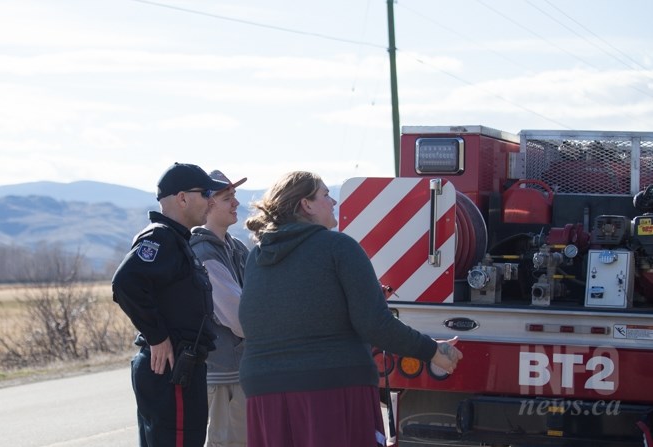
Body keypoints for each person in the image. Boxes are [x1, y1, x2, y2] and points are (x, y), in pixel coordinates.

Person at [238, 171, 463, 447]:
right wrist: (432, 351)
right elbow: (374, 324)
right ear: (305, 205)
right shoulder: (338, 247)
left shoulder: (256, 257)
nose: (333, 201)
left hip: (263, 391)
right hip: (331, 389)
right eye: (324, 194)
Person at [112, 162, 230, 447]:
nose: (211, 201)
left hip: (181, 368)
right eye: (204, 193)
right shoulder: (161, 237)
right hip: (172, 368)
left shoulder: (177, 240)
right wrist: (157, 336)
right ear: (182, 198)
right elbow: (125, 282)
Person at [190, 170, 250, 447]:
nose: (236, 203)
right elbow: (241, 318)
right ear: (208, 204)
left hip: (239, 371)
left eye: (235, 196)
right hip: (222, 374)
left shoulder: (235, 247)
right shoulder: (203, 252)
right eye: (228, 198)